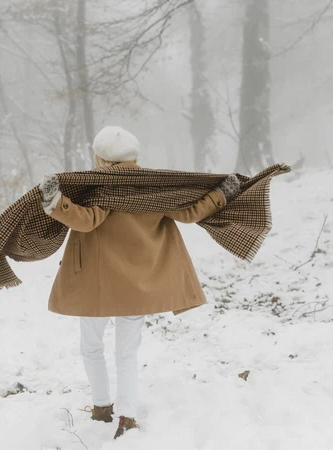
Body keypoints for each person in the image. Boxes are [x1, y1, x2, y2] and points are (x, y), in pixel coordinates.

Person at [37, 126, 240, 439]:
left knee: (91, 347)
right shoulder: (154, 187)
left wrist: (56, 203)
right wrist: (220, 195)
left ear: (101, 160)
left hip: (98, 287)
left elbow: (86, 220)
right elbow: (188, 212)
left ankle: (102, 408)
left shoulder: (102, 188)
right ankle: (127, 417)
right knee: (127, 353)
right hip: (138, 285)